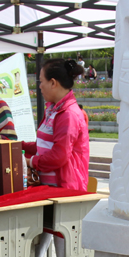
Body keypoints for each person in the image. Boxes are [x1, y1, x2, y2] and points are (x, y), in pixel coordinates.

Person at [23, 59, 90, 190]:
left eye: (41, 82)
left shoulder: (68, 114)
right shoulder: (52, 110)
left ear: (53, 83)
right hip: (49, 188)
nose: (40, 86)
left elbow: (59, 155)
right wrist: (16, 146)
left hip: (63, 191)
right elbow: (42, 147)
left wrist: (29, 161)